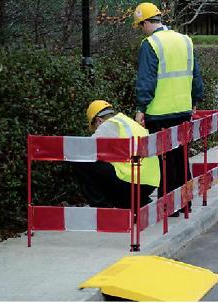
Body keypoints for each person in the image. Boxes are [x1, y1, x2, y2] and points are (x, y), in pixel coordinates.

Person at [132, 3, 204, 213]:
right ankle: (185, 201)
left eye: (140, 26)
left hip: (159, 112)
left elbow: (146, 79)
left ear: (146, 22)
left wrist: (140, 108)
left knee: (163, 161)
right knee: (181, 157)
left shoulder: (150, 44)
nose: (141, 30)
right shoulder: (185, 40)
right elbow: (195, 75)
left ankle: (169, 206)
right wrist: (194, 100)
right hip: (182, 110)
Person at [72, 100, 160, 209]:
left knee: (80, 161)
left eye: (94, 127)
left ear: (99, 121)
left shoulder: (108, 125)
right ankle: (137, 201)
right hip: (149, 183)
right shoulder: (127, 121)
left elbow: (88, 150)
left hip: (133, 182)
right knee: (106, 167)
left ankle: (102, 208)